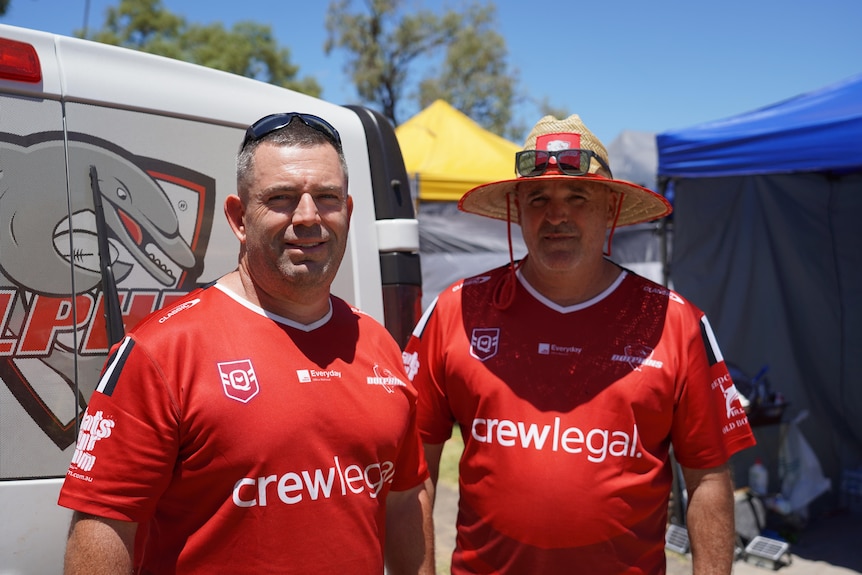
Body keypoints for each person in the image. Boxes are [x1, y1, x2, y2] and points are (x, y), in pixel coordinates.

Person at [59, 112, 434, 574]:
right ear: (238, 217)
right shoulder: (161, 351)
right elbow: (104, 525)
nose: (308, 217)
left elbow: (404, 498)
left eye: (327, 198)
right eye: (281, 198)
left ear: (348, 212)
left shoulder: (377, 344)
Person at [402, 114, 756, 574]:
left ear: (610, 209)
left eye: (577, 196)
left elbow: (708, 476)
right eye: (538, 198)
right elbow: (414, 472)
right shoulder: (454, 312)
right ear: (516, 209)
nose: (556, 215)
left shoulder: (677, 322)